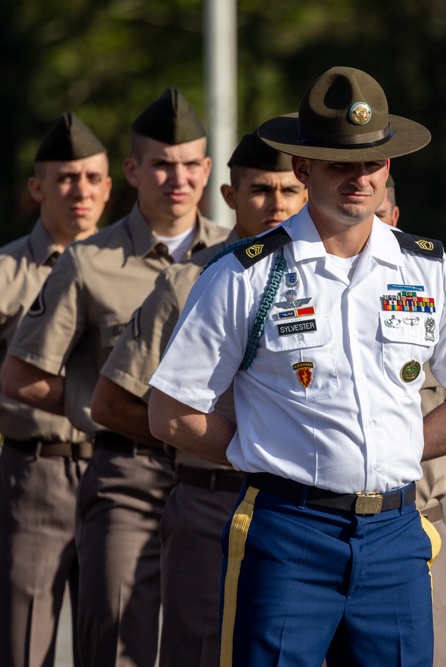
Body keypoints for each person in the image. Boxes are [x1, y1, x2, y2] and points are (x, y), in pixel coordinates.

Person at [147, 66, 446, 667]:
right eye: (340, 162)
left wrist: (388, 450)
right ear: (303, 169)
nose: (359, 177)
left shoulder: (427, 270)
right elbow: (171, 413)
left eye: (371, 162)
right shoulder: (246, 274)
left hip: (398, 535)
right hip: (287, 533)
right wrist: (269, 451)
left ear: (389, 168)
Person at [2, 88, 227, 667]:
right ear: (132, 170)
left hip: (213, 480)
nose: (176, 179)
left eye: (188, 165)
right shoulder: (88, 260)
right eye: (160, 164)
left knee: (206, 645)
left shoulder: (237, 259)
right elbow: (22, 376)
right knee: (115, 646)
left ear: (206, 171)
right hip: (127, 473)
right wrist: (113, 410)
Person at [89, 131, 307, 667]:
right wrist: (227, 446)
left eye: (289, 190)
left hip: (302, 507)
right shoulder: (187, 280)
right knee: (197, 650)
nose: (276, 204)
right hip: (212, 498)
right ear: (231, 196)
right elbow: (113, 403)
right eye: (260, 190)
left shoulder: (332, 280)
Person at [0, 113, 110, 667]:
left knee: (116, 644)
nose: (81, 190)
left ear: (111, 187)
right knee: (22, 646)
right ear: (37, 188)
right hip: (34, 474)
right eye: (66, 178)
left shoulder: (134, 270)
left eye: (92, 178)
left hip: (119, 475)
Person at [374, 174, 446, 667]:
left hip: (421, 523)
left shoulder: (431, 284)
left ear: (395, 218)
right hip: (318, 528)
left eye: (379, 214)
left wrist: (394, 455)